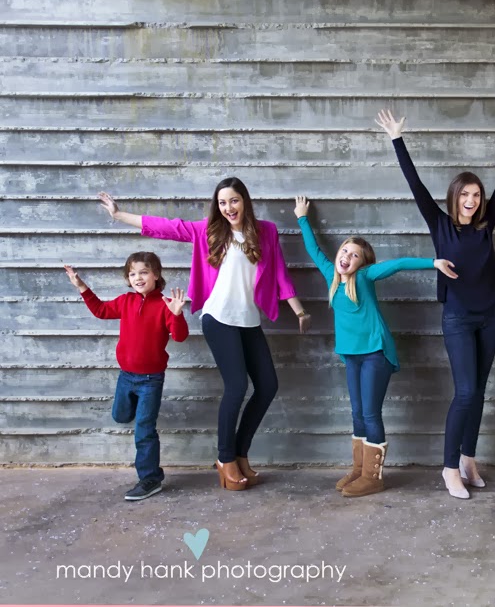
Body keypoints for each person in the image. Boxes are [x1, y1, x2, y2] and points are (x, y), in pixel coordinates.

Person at [98, 178, 312, 491]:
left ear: (244, 201)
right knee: (237, 386)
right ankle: (225, 458)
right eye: (223, 203)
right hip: (218, 317)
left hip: (249, 319)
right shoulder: (208, 230)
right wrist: (119, 215)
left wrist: (300, 310)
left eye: (234, 201)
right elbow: (167, 226)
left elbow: (279, 271)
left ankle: (239, 453)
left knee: (267, 386)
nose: (229, 208)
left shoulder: (266, 231)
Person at [376, 106, 495, 499]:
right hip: (458, 318)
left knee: (478, 390)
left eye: (477, 195)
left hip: (491, 316)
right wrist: (397, 139)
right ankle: (447, 469)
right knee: (464, 392)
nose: (473, 200)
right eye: (466, 194)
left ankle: (468, 459)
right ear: (455, 197)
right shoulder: (439, 222)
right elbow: (415, 185)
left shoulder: (486, 222)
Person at [294, 196, 457, 497]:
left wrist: (433, 262)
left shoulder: (365, 278)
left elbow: (397, 265)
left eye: (354, 255)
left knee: (370, 414)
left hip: (375, 353)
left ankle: (373, 476)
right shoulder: (332, 275)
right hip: (352, 356)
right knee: (357, 413)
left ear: (362, 263)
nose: (347, 257)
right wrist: (302, 218)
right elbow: (313, 249)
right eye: (345, 251)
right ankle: (358, 470)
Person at [64, 253, 188, 501]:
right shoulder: (125, 301)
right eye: (132, 273)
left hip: (151, 380)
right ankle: (137, 411)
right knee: (120, 415)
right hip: (126, 376)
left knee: (144, 430)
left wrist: (176, 314)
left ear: (155, 274)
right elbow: (100, 310)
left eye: (143, 272)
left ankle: (150, 479)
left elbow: (180, 337)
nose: (138, 277)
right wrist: (82, 287)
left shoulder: (165, 305)